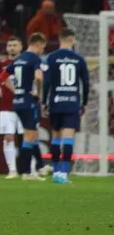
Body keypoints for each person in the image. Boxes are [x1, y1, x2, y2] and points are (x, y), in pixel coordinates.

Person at [42, 28, 90, 184]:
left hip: (56, 102)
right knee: (68, 139)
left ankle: (56, 172)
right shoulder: (79, 59)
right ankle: (63, 174)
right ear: (72, 39)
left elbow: (47, 82)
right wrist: (84, 102)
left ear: (59, 39)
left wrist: (44, 102)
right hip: (71, 102)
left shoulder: (50, 58)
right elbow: (86, 83)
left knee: (56, 138)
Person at [5, 33, 48, 181]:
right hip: (29, 101)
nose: (42, 50)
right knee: (28, 136)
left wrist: (15, 90)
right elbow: (38, 77)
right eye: (43, 47)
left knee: (31, 134)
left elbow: (3, 76)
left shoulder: (19, 59)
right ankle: (27, 172)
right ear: (38, 44)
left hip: (17, 101)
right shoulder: (34, 58)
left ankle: (37, 168)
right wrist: (38, 93)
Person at [0, 37, 25, 178]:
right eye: (9, 45)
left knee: (28, 137)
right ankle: (12, 170)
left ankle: (30, 169)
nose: (12, 48)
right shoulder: (1, 64)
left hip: (24, 105)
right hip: (6, 106)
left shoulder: (27, 62)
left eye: (15, 45)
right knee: (8, 137)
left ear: (21, 47)